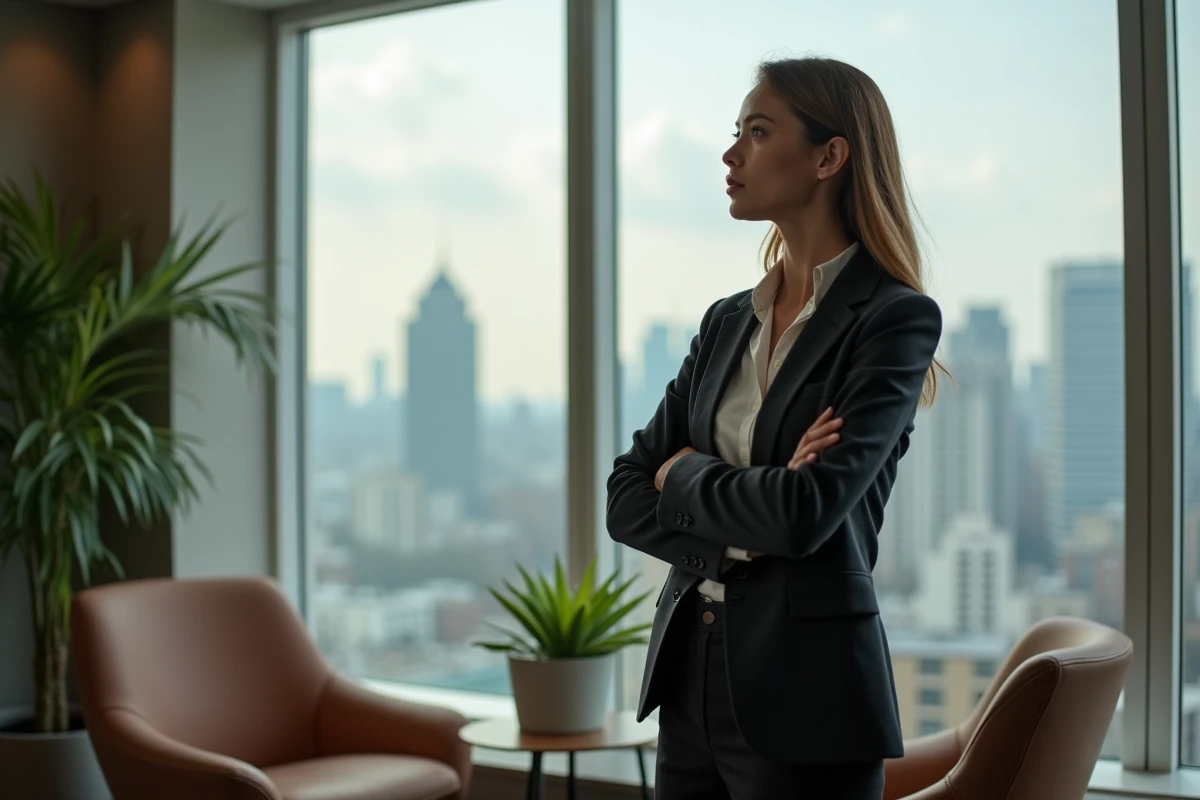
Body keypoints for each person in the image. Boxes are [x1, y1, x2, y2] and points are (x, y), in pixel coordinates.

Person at [606, 56, 946, 800]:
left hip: (809, 690)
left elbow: (806, 513)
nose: (732, 156)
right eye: (737, 133)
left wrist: (685, 476)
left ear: (829, 156)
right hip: (687, 670)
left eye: (758, 133)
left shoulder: (892, 319)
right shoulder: (727, 321)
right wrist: (749, 518)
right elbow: (623, 496)